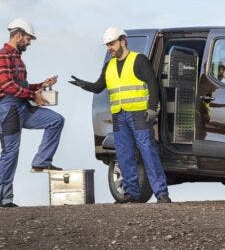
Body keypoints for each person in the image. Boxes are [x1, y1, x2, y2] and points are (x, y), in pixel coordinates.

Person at [69, 26, 171, 204]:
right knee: (124, 155)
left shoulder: (138, 60)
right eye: (107, 45)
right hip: (119, 116)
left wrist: (152, 108)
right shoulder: (109, 66)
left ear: (123, 41)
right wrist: (83, 84)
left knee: (148, 152)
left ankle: (161, 194)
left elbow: (153, 84)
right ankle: (131, 194)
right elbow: (99, 87)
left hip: (139, 114)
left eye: (112, 44)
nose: (109, 48)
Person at [0, 19, 65, 208]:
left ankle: (41, 161)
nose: (29, 42)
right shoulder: (2, 56)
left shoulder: (17, 59)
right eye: (28, 38)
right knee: (10, 153)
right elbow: (7, 87)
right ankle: (4, 199)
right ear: (18, 35)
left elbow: (20, 86)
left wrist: (41, 85)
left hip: (21, 106)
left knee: (55, 120)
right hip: (7, 109)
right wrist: (33, 95)